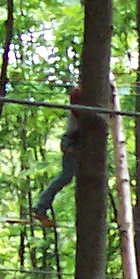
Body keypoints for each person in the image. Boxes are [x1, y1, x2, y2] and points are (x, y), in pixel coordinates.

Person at [31, 85, 87, 224]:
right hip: (71, 142)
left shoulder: (81, 108)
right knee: (66, 176)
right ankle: (40, 207)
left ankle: (41, 207)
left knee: (75, 176)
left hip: (74, 142)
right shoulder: (78, 108)